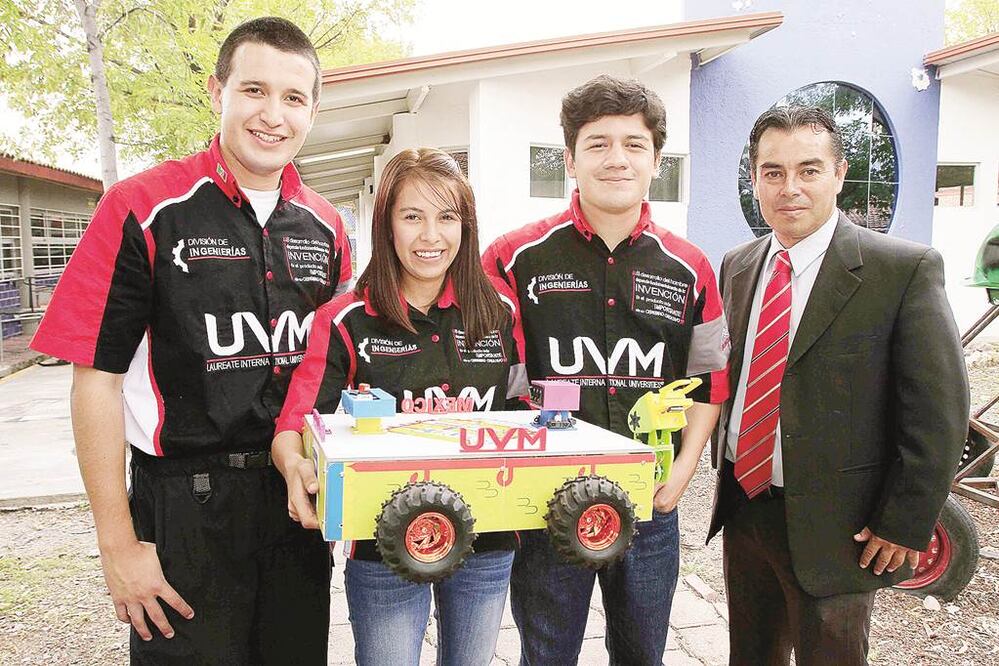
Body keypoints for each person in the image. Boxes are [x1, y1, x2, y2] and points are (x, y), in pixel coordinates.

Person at [29, 17, 351, 664]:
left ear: (313, 111)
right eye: (254, 90)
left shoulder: (328, 226)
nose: (273, 115)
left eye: (293, 97)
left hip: (294, 506)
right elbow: (95, 380)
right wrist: (118, 545)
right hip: (183, 510)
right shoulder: (140, 207)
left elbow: (330, 376)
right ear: (216, 92)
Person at [707, 105, 969, 665]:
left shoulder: (901, 269)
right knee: (749, 656)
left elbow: (938, 413)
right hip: (746, 507)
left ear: (840, 174)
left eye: (809, 170)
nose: (790, 188)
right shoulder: (738, 265)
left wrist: (905, 521)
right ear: (754, 178)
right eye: (773, 172)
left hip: (841, 526)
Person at [482, 75, 729, 665]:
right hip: (545, 502)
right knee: (546, 654)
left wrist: (684, 470)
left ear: (656, 160)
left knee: (643, 653)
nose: (617, 158)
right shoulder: (511, 258)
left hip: (650, 499)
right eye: (597, 143)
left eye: (633, 144)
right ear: (570, 159)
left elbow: (711, 381)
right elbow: (497, 377)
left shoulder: (691, 267)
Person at [273, 148, 529, 666]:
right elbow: (295, 425)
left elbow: (524, 407)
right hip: (382, 544)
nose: (431, 236)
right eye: (412, 216)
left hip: (487, 535)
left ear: (466, 225)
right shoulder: (344, 319)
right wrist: (294, 466)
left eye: (447, 217)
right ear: (386, 224)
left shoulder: (501, 310)